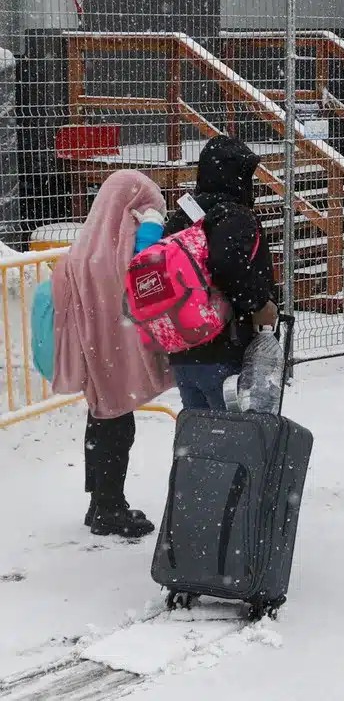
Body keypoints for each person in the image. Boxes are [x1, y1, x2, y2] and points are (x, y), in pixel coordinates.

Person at [34, 170, 174, 537]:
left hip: (91, 353)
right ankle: (110, 508)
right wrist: (153, 229)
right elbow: (146, 275)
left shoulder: (85, 248)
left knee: (101, 418)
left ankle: (99, 501)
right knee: (117, 423)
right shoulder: (125, 248)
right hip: (116, 350)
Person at [161, 135, 278, 410]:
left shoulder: (183, 216)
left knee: (200, 442)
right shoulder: (233, 215)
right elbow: (228, 266)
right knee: (235, 441)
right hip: (226, 347)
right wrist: (260, 303)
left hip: (186, 351)